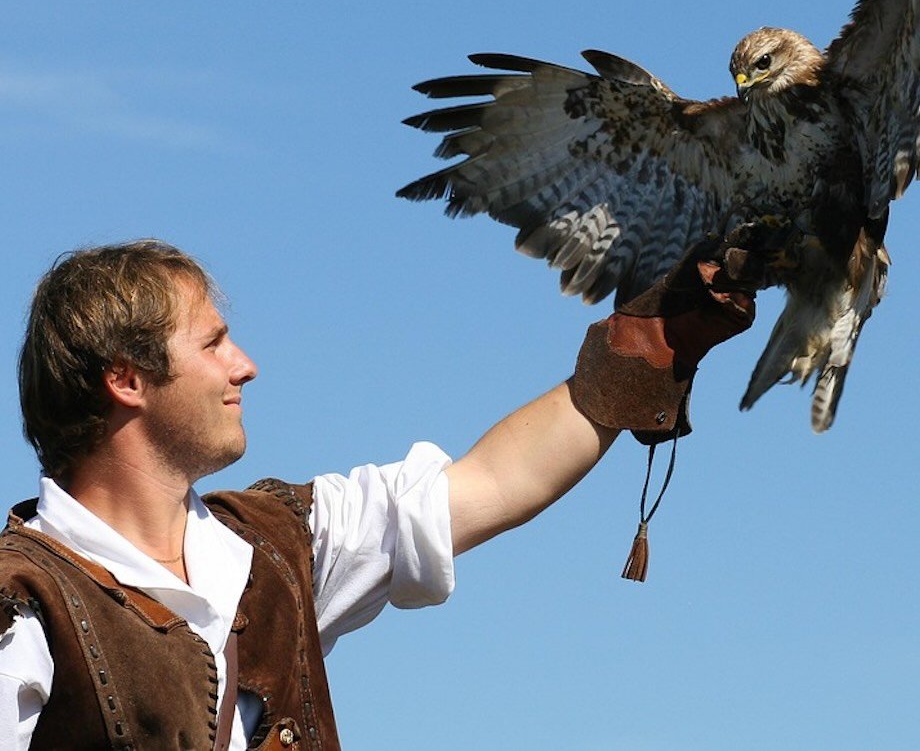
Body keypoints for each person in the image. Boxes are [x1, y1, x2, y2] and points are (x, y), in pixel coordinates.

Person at [0, 233, 762, 749]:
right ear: (126, 379)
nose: (246, 365)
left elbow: (495, 481)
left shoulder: (276, 543)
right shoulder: (22, 604)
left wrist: (649, 343)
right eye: (211, 343)